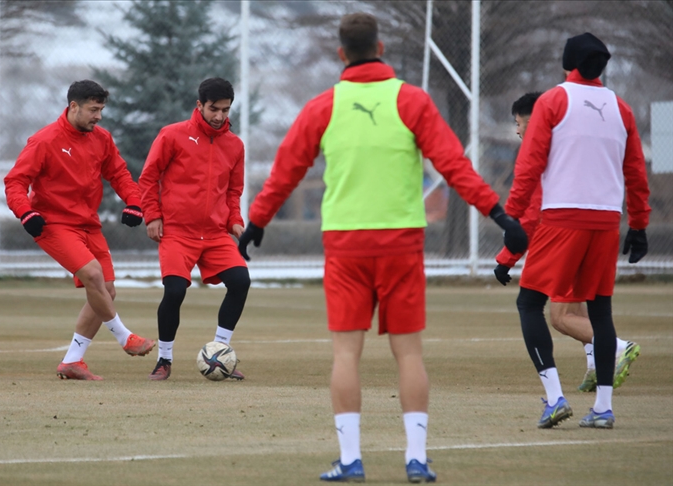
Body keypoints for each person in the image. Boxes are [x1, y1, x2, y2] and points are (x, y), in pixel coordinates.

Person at [238, 13, 526, 483]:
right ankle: (417, 459)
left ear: (341, 53)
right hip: (401, 243)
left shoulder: (322, 106)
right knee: (409, 354)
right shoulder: (411, 100)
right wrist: (499, 215)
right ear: (381, 47)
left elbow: (285, 171)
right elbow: (453, 165)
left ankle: (351, 460)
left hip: (345, 243)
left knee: (345, 355)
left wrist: (256, 222)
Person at [504, 33, 650, 430]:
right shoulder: (621, 108)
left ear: (568, 62)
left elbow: (530, 165)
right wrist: (638, 224)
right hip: (606, 222)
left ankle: (555, 398)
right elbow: (636, 171)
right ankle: (603, 408)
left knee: (529, 304)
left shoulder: (553, 100)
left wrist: (511, 219)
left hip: (561, 218)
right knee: (600, 312)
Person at [4, 80, 156, 381]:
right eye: (93, 110)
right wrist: (26, 212)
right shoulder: (44, 140)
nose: (98, 116)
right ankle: (125, 337)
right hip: (53, 224)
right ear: (73, 107)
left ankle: (72, 361)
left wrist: (134, 202)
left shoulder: (102, 138)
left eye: (101, 110)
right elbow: (15, 182)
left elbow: (120, 174)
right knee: (93, 275)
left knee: (106, 291)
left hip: (88, 224)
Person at [495, 92, 640, 394]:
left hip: (562, 238)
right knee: (582, 310)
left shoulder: (540, 148)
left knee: (559, 317)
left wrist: (507, 256)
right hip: (598, 228)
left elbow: (532, 213)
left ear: (533, 119)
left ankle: (617, 347)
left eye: (519, 123)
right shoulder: (574, 141)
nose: (517, 130)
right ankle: (595, 365)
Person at [138, 78, 249, 381]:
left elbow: (233, 191)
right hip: (177, 232)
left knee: (241, 281)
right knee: (175, 291)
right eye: (214, 109)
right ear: (199, 105)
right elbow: (148, 178)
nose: (219, 116)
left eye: (225, 110)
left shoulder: (235, 145)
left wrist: (235, 221)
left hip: (215, 234)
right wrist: (152, 216)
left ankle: (220, 353)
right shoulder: (172, 135)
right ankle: (164, 360)